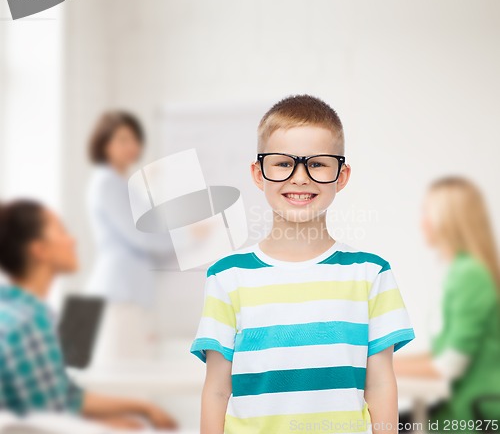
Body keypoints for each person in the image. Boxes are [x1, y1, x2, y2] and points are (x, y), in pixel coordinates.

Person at [189, 94, 416, 434]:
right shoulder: (227, 277)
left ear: (341, 175)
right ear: (257, 173)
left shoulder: (371, 274)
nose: (299, 177)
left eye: (317, 163)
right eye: (282, 163)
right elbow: (217, 390)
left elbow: (381, 385)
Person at [0, 199, 178, 431]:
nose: (72, 239)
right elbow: (48, 419)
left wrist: (140, 407)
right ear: (39, 250)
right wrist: (107, 427)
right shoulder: (30, 322)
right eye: (61, 231)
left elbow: (64, 396)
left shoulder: (17, 308)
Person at [394, 177, 500, 433]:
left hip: (473, 415)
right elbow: (442, 354)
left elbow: (447, 367)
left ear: (449, 220)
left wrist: (374, 368)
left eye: (427, 213)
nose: (422, 223)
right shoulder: (459, 271)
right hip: (455, 410)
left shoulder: (469, 275)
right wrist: (376, 363)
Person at [85, 111, 175, 363]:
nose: (132, 146)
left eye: (135, 140)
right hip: (118, 295)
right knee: (123, 380)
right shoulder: (106, 182)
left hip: (129, 295)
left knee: (131, 376)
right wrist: (188, 237)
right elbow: (142, 235)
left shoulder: (123, 183)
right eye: (123, 140)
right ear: (104, 143)